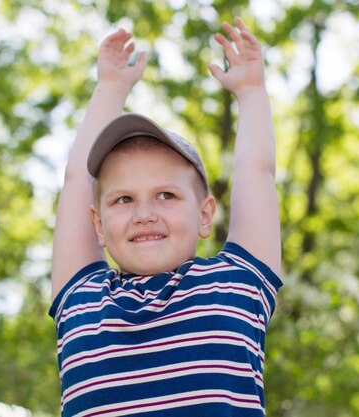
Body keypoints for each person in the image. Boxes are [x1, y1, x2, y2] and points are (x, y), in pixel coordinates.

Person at [49, 17, 282, 417]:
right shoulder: (81, 302)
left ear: (205, 215)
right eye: (123, 199)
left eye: (166, 194)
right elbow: (76, 183)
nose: (144, 214)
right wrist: (110, 88)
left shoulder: (237, 286)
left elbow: (256, 171)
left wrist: (250, 91)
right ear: (99, 225)